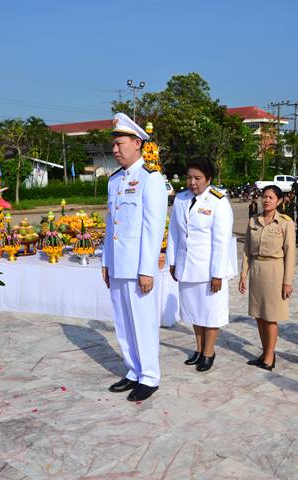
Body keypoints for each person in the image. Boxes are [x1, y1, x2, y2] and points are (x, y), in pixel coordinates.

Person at [102, 113, 167, 402]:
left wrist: (147, 269)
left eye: (120, 144)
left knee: (142, 321)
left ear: (137, 143)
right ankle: (133, 370)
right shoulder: (114, 180)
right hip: (118, 264)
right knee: (123, 322)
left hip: (138, 267)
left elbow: (153, 228)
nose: (115, 149)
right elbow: (111, 225)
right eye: (114, 145)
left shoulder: (150, 179)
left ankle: (149, 376)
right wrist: (106, 262)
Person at [167, 158, 235, 372]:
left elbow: (221, 241)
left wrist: (217, 274)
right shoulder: (181, 199)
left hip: (208, 270)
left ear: (209, 179)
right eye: (189, 178)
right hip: (187, 266)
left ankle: (209, 352)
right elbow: (174, 233)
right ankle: (198, 349)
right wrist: (172, 262)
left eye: (197, 178)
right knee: (194, 311)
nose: (192, 182)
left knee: (210, 312)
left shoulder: (218, 201)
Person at [239, 185, 296, 371]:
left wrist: (287, 282)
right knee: (259, 315)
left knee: (271, 317)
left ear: (279, 201)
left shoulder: (285, 223)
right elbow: (247, 250)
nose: (266, 200)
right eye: (264, 196)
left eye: (271, 197)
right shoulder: (254, 220)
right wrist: (243, 274)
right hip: (257, 270)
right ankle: (265, 352)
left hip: (275, 271)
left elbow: (290, 254)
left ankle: (270, 355)